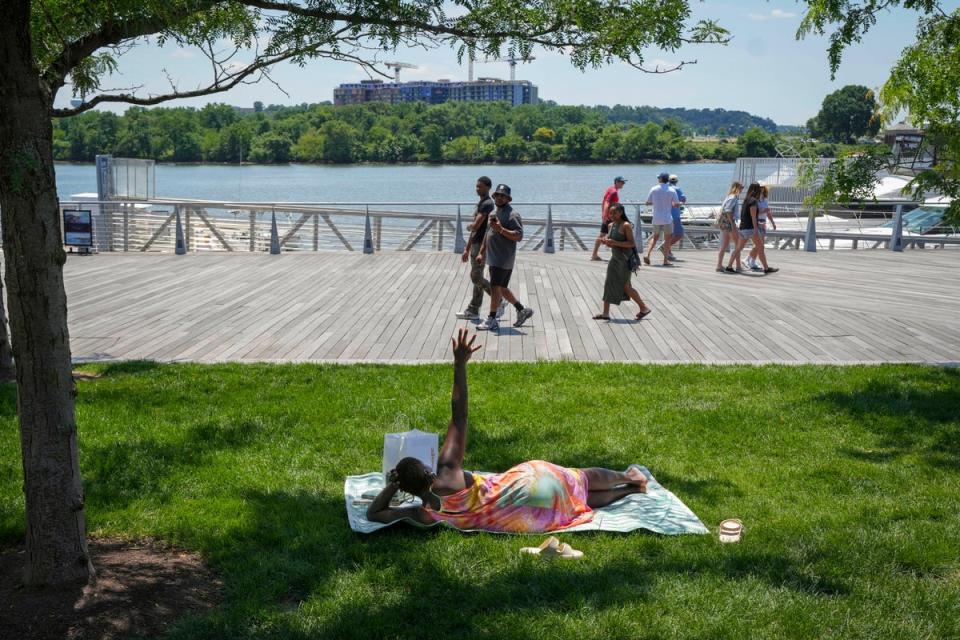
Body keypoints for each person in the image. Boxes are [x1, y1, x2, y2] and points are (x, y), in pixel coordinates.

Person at [366, 329, 650, 533]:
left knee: (582, 500)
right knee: (581, 478)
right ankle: (629, 477)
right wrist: (459, 366)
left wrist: (394, 485)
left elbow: (375, 513)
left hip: (532, 513)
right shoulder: (448, 471)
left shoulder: (425, 514)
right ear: (427, 470)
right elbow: (459, 416)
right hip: (527, 483)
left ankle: (628, 490)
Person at [476, 184, 535, 332]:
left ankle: (492, 319)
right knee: (501, 288)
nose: (500, 197)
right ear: (494, 196)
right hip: (494, 257)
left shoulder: (512, 215)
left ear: (508, 199)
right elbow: (488, 234)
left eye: (503, 195)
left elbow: (519, 236)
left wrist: (501, 229)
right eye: (497, 195)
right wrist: (481, 252)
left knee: (495, 287)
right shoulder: (494, 214)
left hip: (503, 258)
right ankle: (522, 310)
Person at [456, 176, 505, 320]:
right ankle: (474, 310)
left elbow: (476, 226)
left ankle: (499, 299)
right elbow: (475, 230)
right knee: (478, 276)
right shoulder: (481, 203)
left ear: (488, 187)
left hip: (482, 245)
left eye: (480, 186)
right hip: (476, 244)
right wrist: (467, 248)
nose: (477, 189)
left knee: (475, 276)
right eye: (476, 186)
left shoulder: (488, 204)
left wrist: (469, 226)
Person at [592, 203, 652, 321]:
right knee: (608, 283)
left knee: (626, 286)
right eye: (610, 213)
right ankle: (605, 313)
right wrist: (605, 242)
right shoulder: (610, 225)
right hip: (614, 259)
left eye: (615, 213)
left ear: (621, 213)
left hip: (625, 260)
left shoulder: (626, 225)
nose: (612, 215)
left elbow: (631, 244)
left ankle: (644, 308)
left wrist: (614, 242)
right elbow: (612, 242)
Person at [726, 182, 778, 274]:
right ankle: (766, 268)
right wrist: (755, 230)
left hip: (743, 228)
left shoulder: (746, 200)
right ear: (757, 190)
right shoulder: (753, 201)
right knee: (760, 247)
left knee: (738, 248)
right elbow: (753, 217)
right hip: (750, 228)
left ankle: (729, 266)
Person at [644, 172, 679, 267]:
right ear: (667, 179)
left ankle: (647, 254)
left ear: (660, 179)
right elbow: (676, 204)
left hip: (656, 217)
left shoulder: (654, 189)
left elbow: (647, 202)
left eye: (658, 178)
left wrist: (655, 203)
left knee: (655, 237)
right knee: (667, 240)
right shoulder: (672, 190)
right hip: (667, 218)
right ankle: (665, 260)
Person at [591, 176, 626, 261]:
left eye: (624, 182)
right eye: (622, 182)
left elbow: (604, 202)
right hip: (610, 217)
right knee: (615, 234)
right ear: (617, 182)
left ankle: (594, 254)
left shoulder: (611, 189)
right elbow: (607, 202)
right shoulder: (613, 191)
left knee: (604, 234)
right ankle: (617, 255)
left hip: (610, 216)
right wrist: (605, 215)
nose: (623, 184)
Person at [746, 184, 777, 271]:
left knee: (759, 244)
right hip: (757, 222)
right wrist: (764, 210)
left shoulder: (764, 200)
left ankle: (751, 260)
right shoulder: (756, 200)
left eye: (763, 188)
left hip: (763, 222)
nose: (762, 190)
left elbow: (768, 213)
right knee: (760, 245)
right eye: (761, 188)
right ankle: (749, 259)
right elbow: (754, 212)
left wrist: (772, 222)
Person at [715, 181, 743, 273]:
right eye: (741, 188)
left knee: (724, 244)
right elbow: (728, 211)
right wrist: (732, 224)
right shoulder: (733, 198)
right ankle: (738, 266)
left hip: (723, 222)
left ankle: (719, 265)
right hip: (728, 223)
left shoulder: (728, 197)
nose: (742, 190)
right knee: (737, 244)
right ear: (738, 188)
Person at [667, 174, 686, 261]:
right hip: (675, 214)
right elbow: (683, 199)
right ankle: (665, 248)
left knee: (669, 235)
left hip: (666, 214)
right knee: (679, 234)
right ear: (676, 181)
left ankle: (668, 252)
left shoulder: (665, 188)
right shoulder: (677, 189)